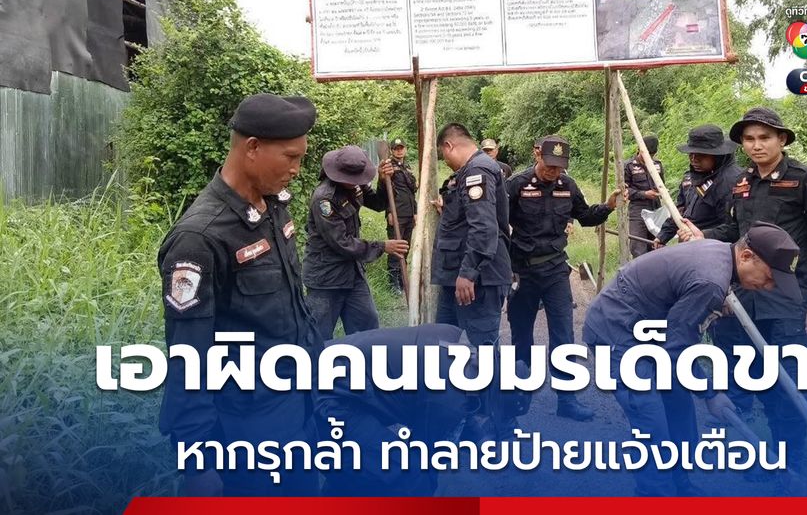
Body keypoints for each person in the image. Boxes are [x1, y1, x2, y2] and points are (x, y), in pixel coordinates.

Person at [157, 93, 321, 496]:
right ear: (252, 148)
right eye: (290, 157)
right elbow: (188, 355)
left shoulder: (272, 207)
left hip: (298, 409)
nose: (297, 170)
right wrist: (196, 461)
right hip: (247, 434)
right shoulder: (199, 238)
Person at [678, 107, 807, 471]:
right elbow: (735, 233)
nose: (757, 146)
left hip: (788, 300)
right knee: (751, 378)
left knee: (790, 386)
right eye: (749, 139)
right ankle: (766, 459)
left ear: (781, 139)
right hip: (745, 298)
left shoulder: (806, 180)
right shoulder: (743, 182)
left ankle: (793, 465)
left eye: (765, 138)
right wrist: (703, 235)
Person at [583, 222, 802, 496]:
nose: (769, 287)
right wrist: (711, 394)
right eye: (769, 278)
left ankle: (682, 487)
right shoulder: (711, 281)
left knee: (681, 414)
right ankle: (655, 495)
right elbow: (677, 349)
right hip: (617, 331)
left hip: (653, 331)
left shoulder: (723, 258)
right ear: (746, 256)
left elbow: (678, 337)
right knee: (652, 424)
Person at [314, 324, 531, 496]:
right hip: (326, 400)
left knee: (366, 465)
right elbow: (428, 461)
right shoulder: (448, 400)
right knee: (409, 475)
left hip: (327, 378)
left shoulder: (455, 339)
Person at [505, 135, 621, 421]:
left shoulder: (567, 186)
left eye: (559, 167)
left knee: (564, 336)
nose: (553, 171)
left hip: (555, 270)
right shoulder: (516, 185)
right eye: (549, 165)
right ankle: (520, 393)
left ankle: (567, 400)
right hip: (522, 270)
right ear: (537, 155)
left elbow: (585, 216)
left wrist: (607, 207)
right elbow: (496, 222)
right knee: (521, 333)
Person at [303, 145, 409, 341]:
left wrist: (383, 180)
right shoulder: (324, 199)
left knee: (367, 328)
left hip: (352, 273)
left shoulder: (355, 185)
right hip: (326, 278)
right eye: (351, 180)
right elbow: (341, 242)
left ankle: (364, 360)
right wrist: (382, 246)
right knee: (318, 336)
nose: (356, 183)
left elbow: (378, 203)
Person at [432, 123, 512, 347]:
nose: (445, 161)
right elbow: (467, 217)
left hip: (478, 279)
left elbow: (484, 227)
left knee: (482, 349)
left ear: (449, 146)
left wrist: (468, 273)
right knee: (443, 343)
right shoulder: (467, 171)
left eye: (443, 154)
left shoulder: (477, 171)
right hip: (460, 275)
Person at [654, 125, 742, 248]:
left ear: (717, 155)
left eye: (701, 155)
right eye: (691, 154)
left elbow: (735, 228)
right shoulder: (693, 176)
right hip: (689, 246)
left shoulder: (732, 182)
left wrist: (703, 235)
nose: (694, 159)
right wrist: (663, 235)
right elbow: (681, 210)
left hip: (714, 249)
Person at [381, 138, 418, 293]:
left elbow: (411, 193)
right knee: (396, 247)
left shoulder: (407, 167)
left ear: (406, 149)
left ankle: (403, 278)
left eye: (401, 148)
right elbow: (386, 191)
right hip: (396, 214)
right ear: (391, 150)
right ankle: (393, 282)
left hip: (408, 213)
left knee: (405, 247)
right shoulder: (388, 166)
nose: (399, 151)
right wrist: (389, 211)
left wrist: (415, 212)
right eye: (396, 148)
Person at [624, 135, 664, 257]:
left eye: (651, 155)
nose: (648, 158)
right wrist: (644, 194)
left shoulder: (657, 165)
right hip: (638, 210)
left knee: (656, 245)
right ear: (639, 150)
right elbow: (624, 190)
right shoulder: (629, 166)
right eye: (645, 154)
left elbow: (661, 184)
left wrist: (660, 191)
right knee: (638, 247)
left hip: (655, 209)